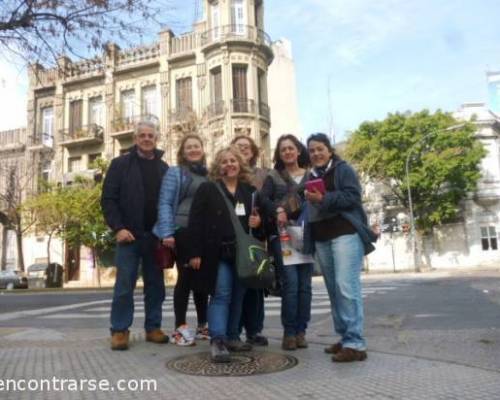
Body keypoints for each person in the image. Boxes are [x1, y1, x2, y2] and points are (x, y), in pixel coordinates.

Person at [303, 133, 377, 362]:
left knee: (346, 287)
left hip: (345, 233)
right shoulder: (310, 175)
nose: (316, 153)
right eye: (312, 150)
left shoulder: (343, 169)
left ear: (329, 150)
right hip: (322, 236)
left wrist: (322, 199)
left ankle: (355, 343)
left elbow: (352, 197)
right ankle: (345, 337)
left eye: (320, 149)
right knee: (334, 290)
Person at [187, 146, 263, 362]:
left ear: (239, 164)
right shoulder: (208, 189)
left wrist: (258, 222)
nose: (229, 164)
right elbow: (196, 222)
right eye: (224, 161)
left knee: (239, 295)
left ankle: (232, 336)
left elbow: (258, 221)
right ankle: (218, 340)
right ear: (218, 167)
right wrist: (194, 252)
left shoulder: (249, 192)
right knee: (221, 294)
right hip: (216, 252)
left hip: (242, 254)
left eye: (233, 160)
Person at [101, 118, 169, 351]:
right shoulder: (120, 164)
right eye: (143, 135)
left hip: (155, 237)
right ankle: (120, 330)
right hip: (129, 236)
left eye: (151, 135)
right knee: (124, 285)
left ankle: (153, 327)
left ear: (156, 138)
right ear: (135, 139)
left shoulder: (164, 168)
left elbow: (168, 203)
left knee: (156, 286)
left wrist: (166, 231)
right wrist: (118, 228)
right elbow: (108, 200)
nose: (147, 139)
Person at [153, 134, 209, 346]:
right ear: (183, 152)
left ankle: (203, 326)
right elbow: (165, 203)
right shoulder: (175, 173)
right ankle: (180, 328)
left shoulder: (209, 174)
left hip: (203, 232)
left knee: (202, 277)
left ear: (203, 150)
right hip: (182, 229)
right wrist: (167, 232)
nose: (193, 150)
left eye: (197, 146)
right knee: (185, 277)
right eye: (189, 147)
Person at [260, 134, 313, 350]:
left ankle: (301, 331)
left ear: (298, 150)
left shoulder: (311, 176)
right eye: (283, 150)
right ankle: (289, 332)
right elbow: (263, 200)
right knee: (291, 285)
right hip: (283, 234)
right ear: (279, 154)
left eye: (291, 148)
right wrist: (278, 209)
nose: (288, 152)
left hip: (306, 234)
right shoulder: (274, 176)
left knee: (305, 287)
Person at [230, 135, 268, 346]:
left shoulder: (263, 175)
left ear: (253, 152)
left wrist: (260, 221)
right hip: (232, 240)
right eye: (238, 147)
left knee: (255, 286)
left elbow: (268, 204)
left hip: (255, 238)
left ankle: (254, 331)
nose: (243, 150)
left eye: (246, 147)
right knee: (235, 288)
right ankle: (233, 331)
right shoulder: (225, 174)